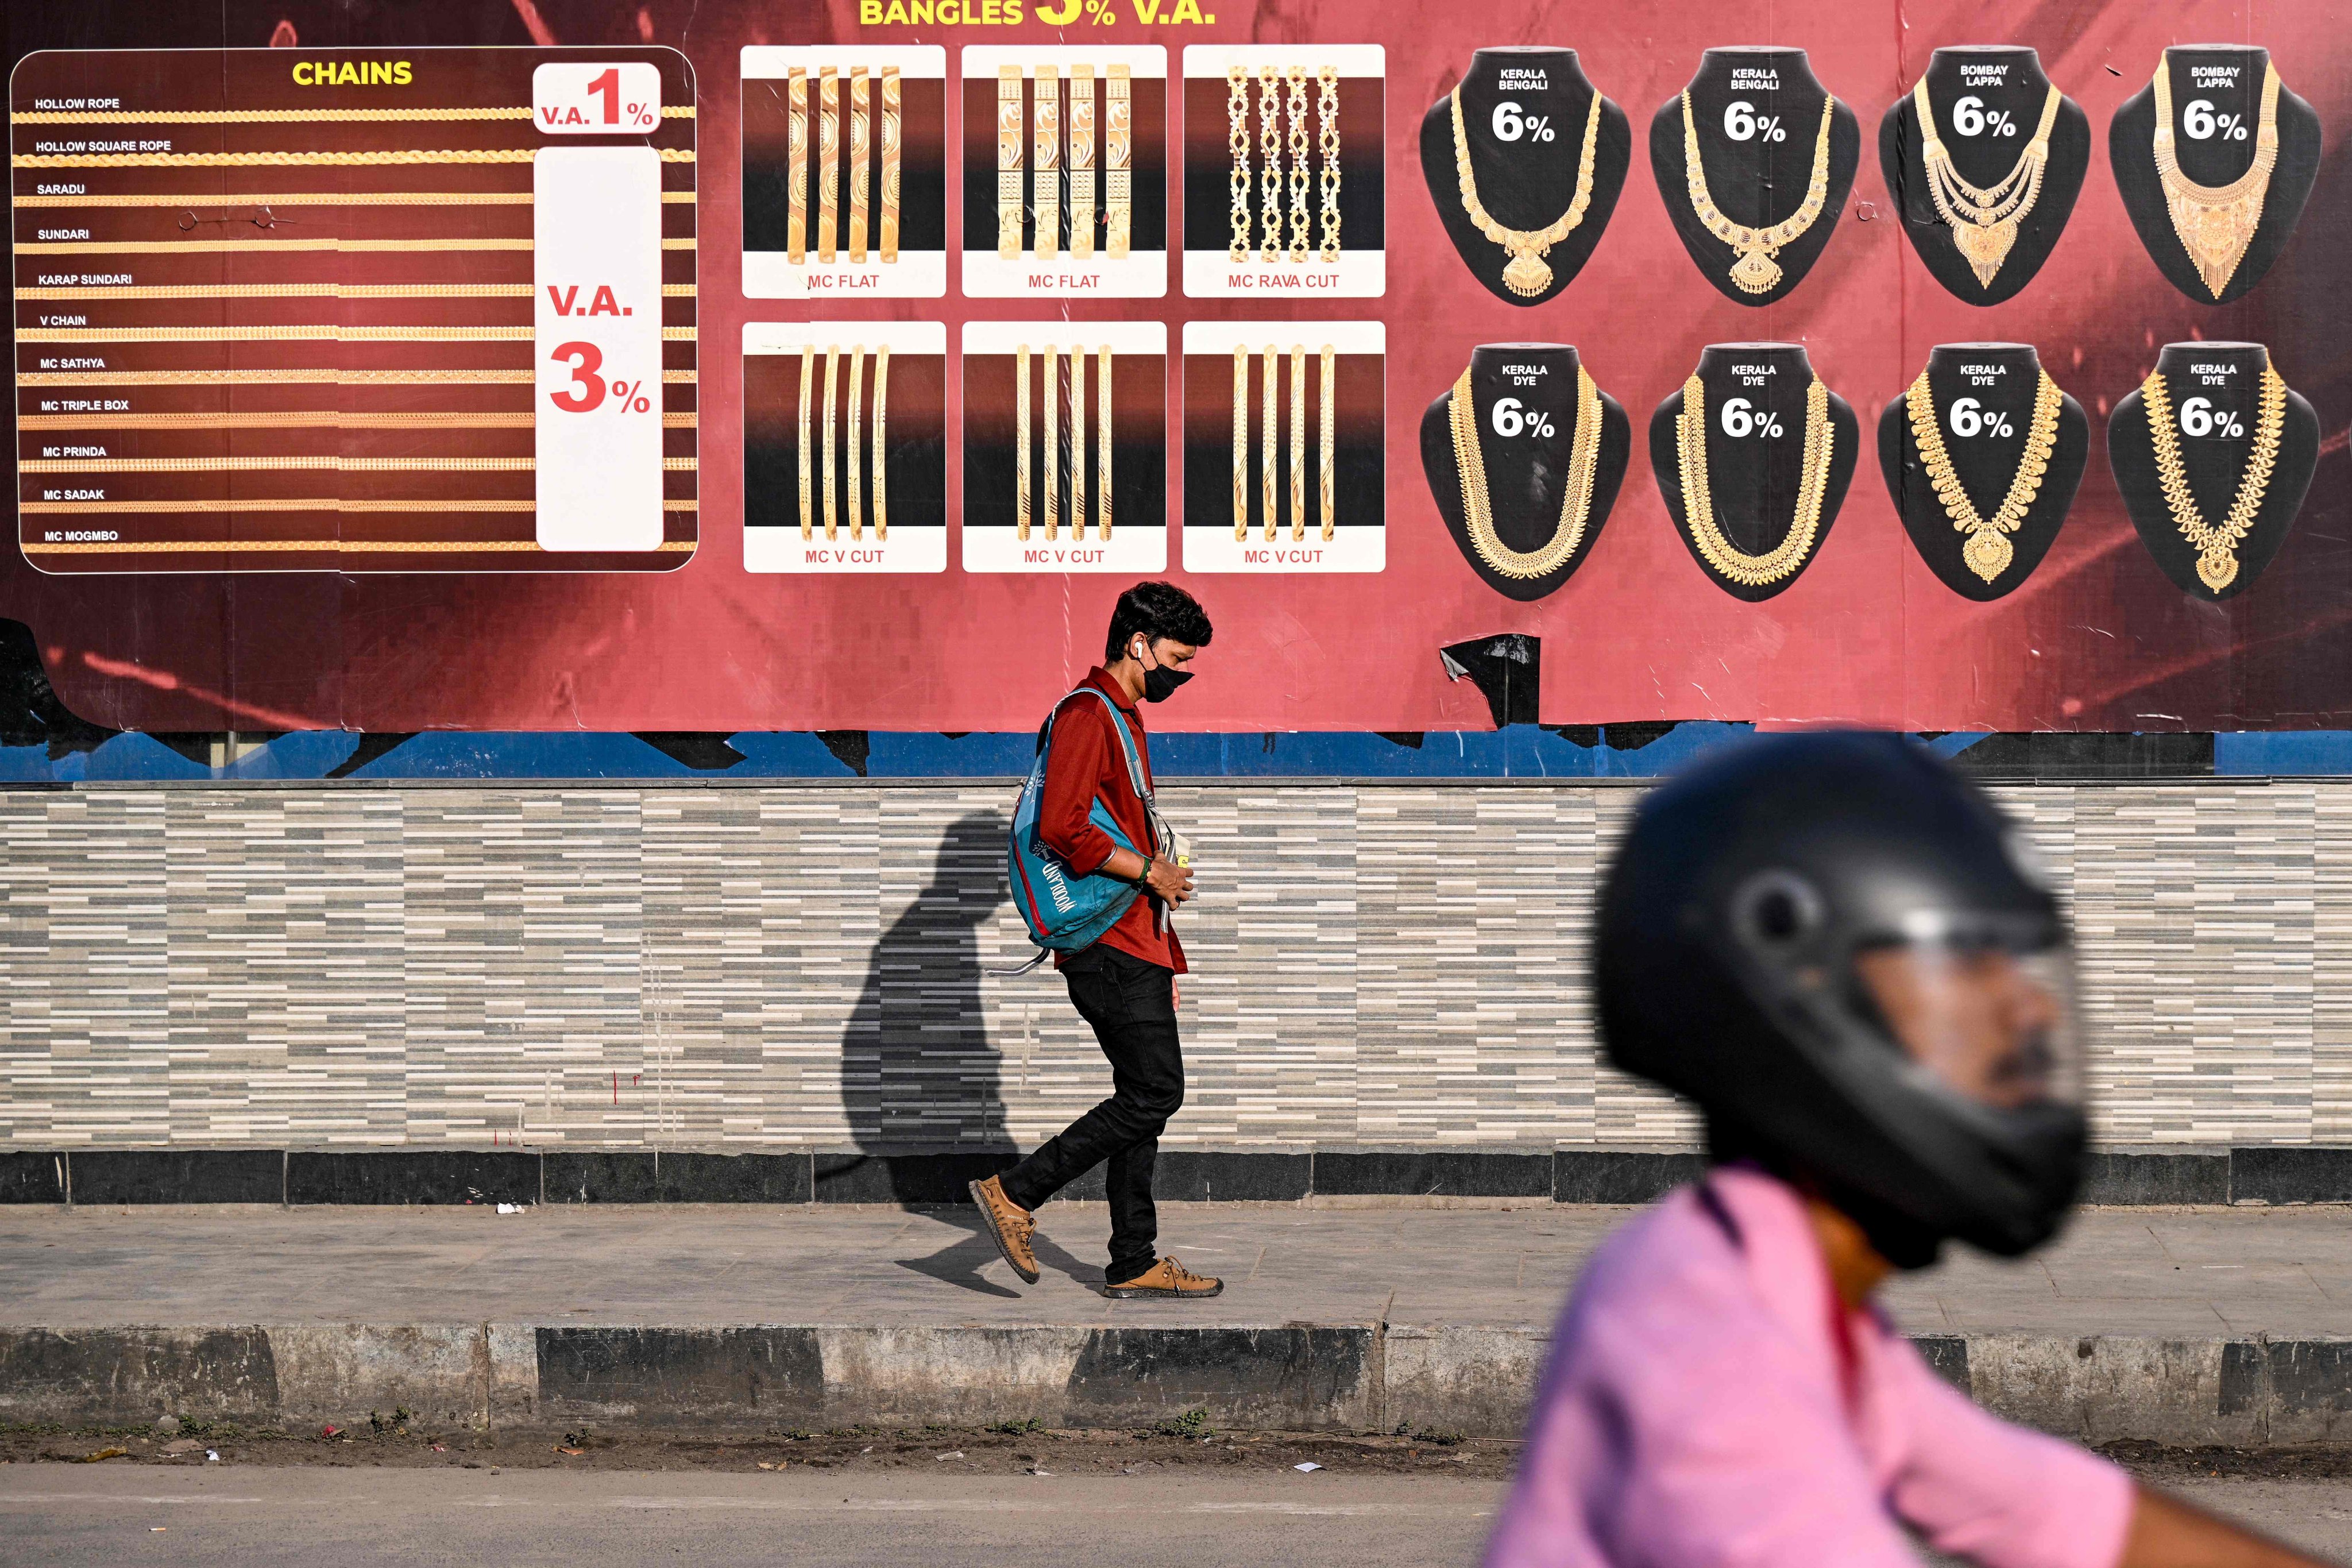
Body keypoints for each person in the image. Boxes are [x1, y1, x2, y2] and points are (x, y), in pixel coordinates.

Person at [1486, 732, 2327, 1568]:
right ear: (1797, 992)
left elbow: (2064, 1518)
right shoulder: (1711, 1373)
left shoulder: (1769, 1288)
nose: (2026, 1008)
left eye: (2017, 963)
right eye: (1964, 961)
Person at [970, 582, 1222, 1300]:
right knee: (1155, 1091)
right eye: (1177, 658)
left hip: (1137, 939)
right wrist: (1150, 870)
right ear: (1138, 645)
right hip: (1111, 945)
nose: (1182, 673)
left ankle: (1133, 1258)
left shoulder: (1123, 717)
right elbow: (1062, 828)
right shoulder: (1088, 715)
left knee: (1142, 1095)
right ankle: (1017, 1192)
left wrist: (1157, 883)